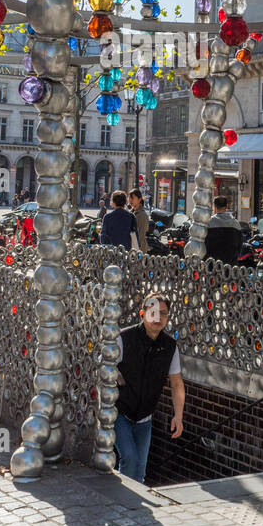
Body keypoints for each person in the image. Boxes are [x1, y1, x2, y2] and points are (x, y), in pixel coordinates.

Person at [114, 293, 184, 484]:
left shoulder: (169, 346)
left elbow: (177, 383)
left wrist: (178, 416)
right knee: (129, 458)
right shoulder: (124, 339)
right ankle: (124, 506)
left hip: (145, 417)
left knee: (140, 469)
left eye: (163, 313)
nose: (158, 318)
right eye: (153, 312)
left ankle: (134, 511)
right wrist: (115, 373)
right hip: (120, 411)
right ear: (142, 314)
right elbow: (102, 366)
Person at [204, 196, 243, 264]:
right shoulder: (235, 223)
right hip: (230, 264)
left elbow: (204, 244)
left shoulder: (208, 223)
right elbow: (240, 245)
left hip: (212, 264)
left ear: (214, 207)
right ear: (226, 206)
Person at [128, 189, 149, 253]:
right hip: (131, 248)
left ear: (139, 199)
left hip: (139, 250)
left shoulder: (142, 215)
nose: (130, 200)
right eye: (129, 198)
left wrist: (138, 251)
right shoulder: (130, 213)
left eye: (132, 198)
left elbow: (141, 235)